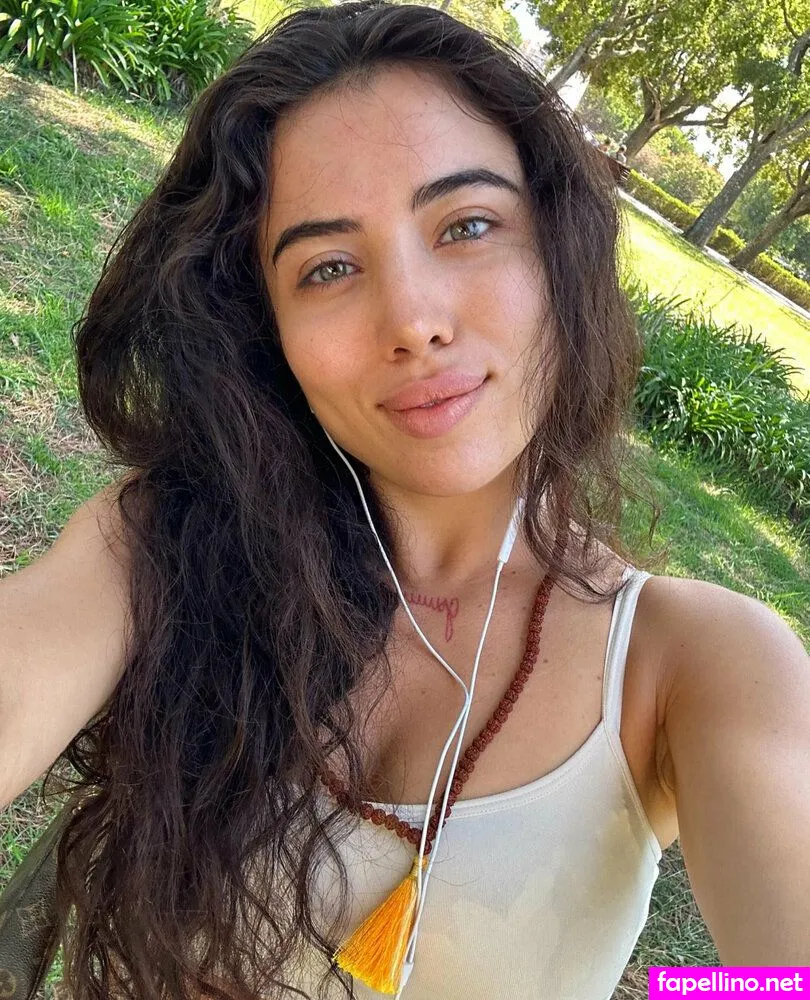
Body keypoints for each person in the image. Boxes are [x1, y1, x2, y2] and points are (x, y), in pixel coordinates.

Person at [0, 3, 808, 999]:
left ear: (556, 249)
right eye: (329, 267)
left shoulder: (695, 664)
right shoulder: (161, 544)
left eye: (466, 225)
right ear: (267, 328)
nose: (414, 320)